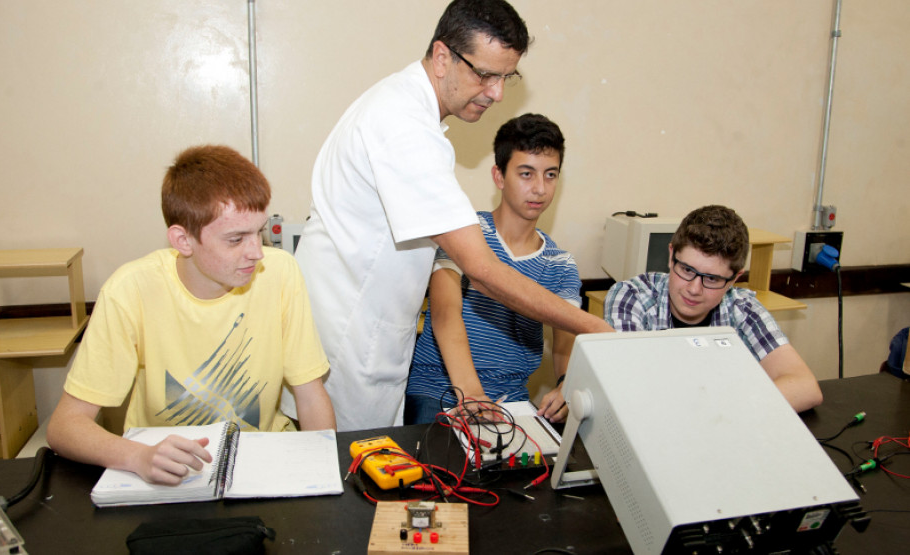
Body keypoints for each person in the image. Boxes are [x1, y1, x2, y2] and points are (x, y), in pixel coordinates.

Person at [288, 0, 612, 432]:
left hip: (371, 334)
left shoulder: (406, 111)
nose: (497, 93)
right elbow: (481, 269)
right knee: (345, 478)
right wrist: (599, 329)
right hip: (348, 339)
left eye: (506, 77)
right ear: (442, 57)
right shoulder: (404, 126)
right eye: (485, 74)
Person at [47, 145, 335, 486]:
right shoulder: (130, 290)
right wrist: (138, 456)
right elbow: (65, 426)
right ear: (183, 240)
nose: (257, 252)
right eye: (235, 239)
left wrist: (326, 479)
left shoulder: (280, 272)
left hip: (263, 457)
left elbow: (310, 393)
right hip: (167, 472)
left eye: (258, 232)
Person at [405, 114, 577, 425]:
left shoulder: (560, 264)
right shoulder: (463, 233)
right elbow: (445, 313)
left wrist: (567, 384)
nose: (540, 188)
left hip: (511, 398)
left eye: (550, 175)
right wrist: (471, 393)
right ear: (499, 176)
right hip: (438, 389)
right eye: (527, 173)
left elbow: (564, 344)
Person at [604, 205, 823, 412]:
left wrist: (725, 411)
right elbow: (631, 387)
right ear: (671, 256)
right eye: (687, 270)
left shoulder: (743, 309)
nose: (694, 289)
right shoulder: (632, 297)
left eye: (712, 278)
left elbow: (804, 387)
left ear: (734, 279)